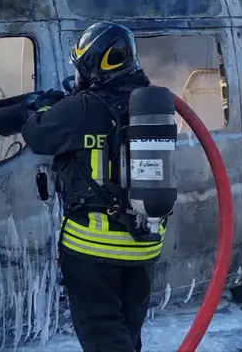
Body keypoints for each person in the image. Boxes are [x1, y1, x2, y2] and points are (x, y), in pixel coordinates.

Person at [21, 22, 166, 352]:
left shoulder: (82, 108)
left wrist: (43, 106)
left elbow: (36, 134)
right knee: (125, 336)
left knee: (103, 338)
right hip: (143, 246)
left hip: (93, 248)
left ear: (93, 65)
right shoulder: (150, 105)